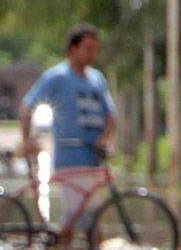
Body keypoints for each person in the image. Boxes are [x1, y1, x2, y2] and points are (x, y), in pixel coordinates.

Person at [20, 23, 117, 233]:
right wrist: (27, 139)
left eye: (95, 48)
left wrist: (106, 138)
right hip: (70, 157)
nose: (92, 53)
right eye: (88, 48)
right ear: (73, 48)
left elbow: (111, 114)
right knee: (80, 218)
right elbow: (27, 106)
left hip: (94, 158)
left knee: (92, 220)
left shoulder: (97, 79)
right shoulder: (57, 76)